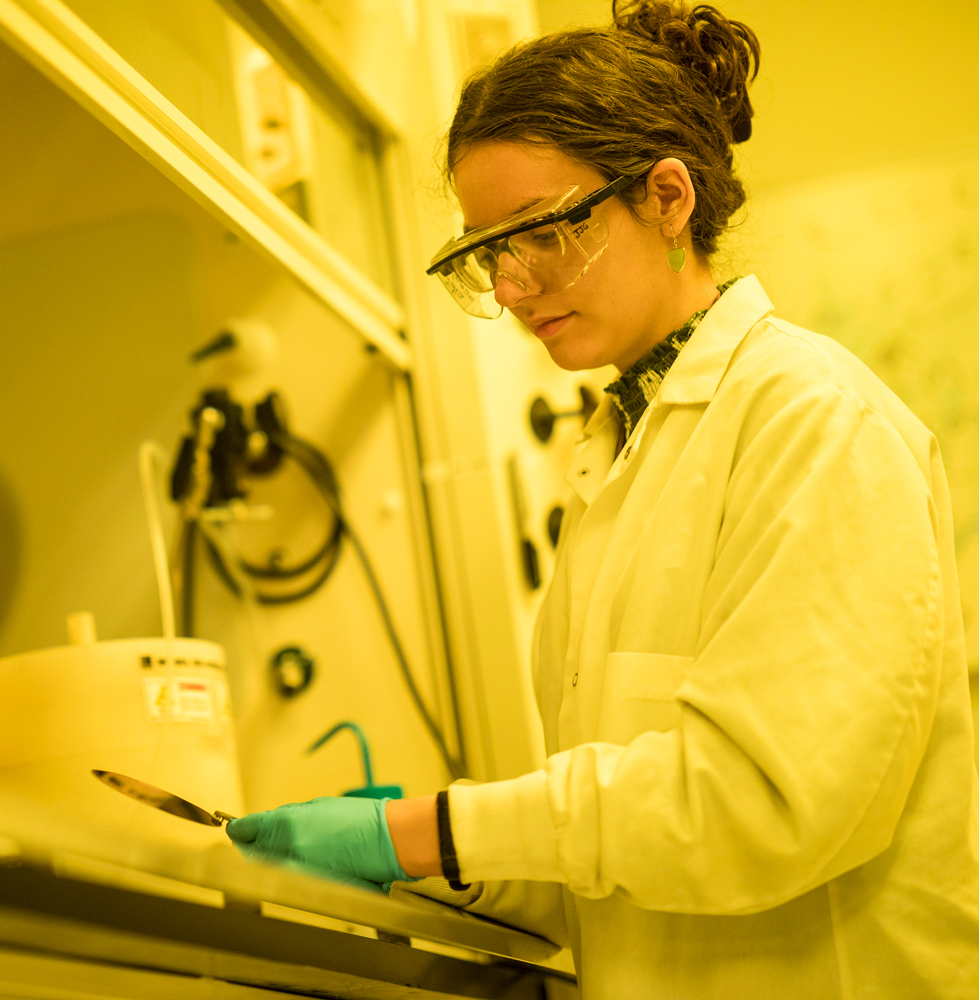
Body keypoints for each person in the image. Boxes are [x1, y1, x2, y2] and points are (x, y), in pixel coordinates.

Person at [224, 2, 979, 996]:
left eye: (539, 233)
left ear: (668, 197)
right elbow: (631, 849)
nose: (515, 283)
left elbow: (760, 809)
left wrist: (428, 830)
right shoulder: (619, 447)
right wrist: (462, 861)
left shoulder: (812, 419)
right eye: (486, 250)